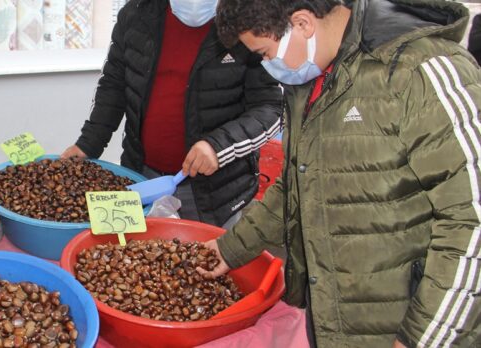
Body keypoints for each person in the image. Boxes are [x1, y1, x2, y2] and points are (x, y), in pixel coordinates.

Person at [200, 0, 481, 347]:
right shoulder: (314, 78)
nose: (266, 65)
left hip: (413, 327)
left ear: (302, 23)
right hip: (339, 321)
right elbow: (298, 185)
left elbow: (472, 219)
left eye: (265, 53)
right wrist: (231, 248)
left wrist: (422, 337)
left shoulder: (420, 71)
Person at [60, 0, 283, 228]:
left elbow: (272, 109)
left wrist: (218, 147)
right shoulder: (136, 13)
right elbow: (114, 85)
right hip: (140, 175)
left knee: (206, 261)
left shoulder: (246, 23)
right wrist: (88, 144)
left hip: (213, 193)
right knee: (126, 257)